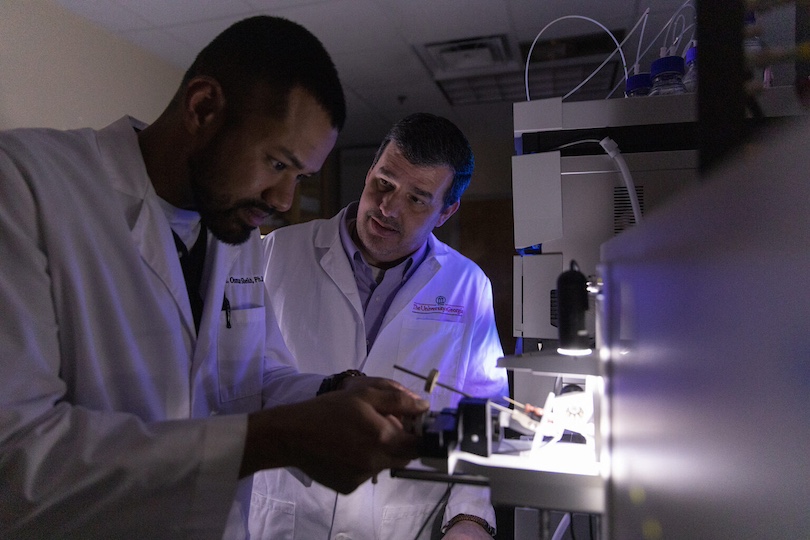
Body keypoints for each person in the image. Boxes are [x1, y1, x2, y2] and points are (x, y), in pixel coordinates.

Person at [0, 16, 429, 539]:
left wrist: (335, 392)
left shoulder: (233, 227)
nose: (283, 201)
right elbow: (18, 461)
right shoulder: (23, 186)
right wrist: (273, 441)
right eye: (276, 163)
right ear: (203, 107)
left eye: (299, 178)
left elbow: (253, 378)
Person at [250, 113, 509, 540]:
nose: (388, 209)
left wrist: (471, 518)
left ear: (447, 211)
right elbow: (241, 383)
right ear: (370, 169)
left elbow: (483, 410)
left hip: (401, 523)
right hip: (284, 518)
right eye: (383, 183)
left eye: (417, 199)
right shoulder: (277, 254)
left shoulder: (466, 285)